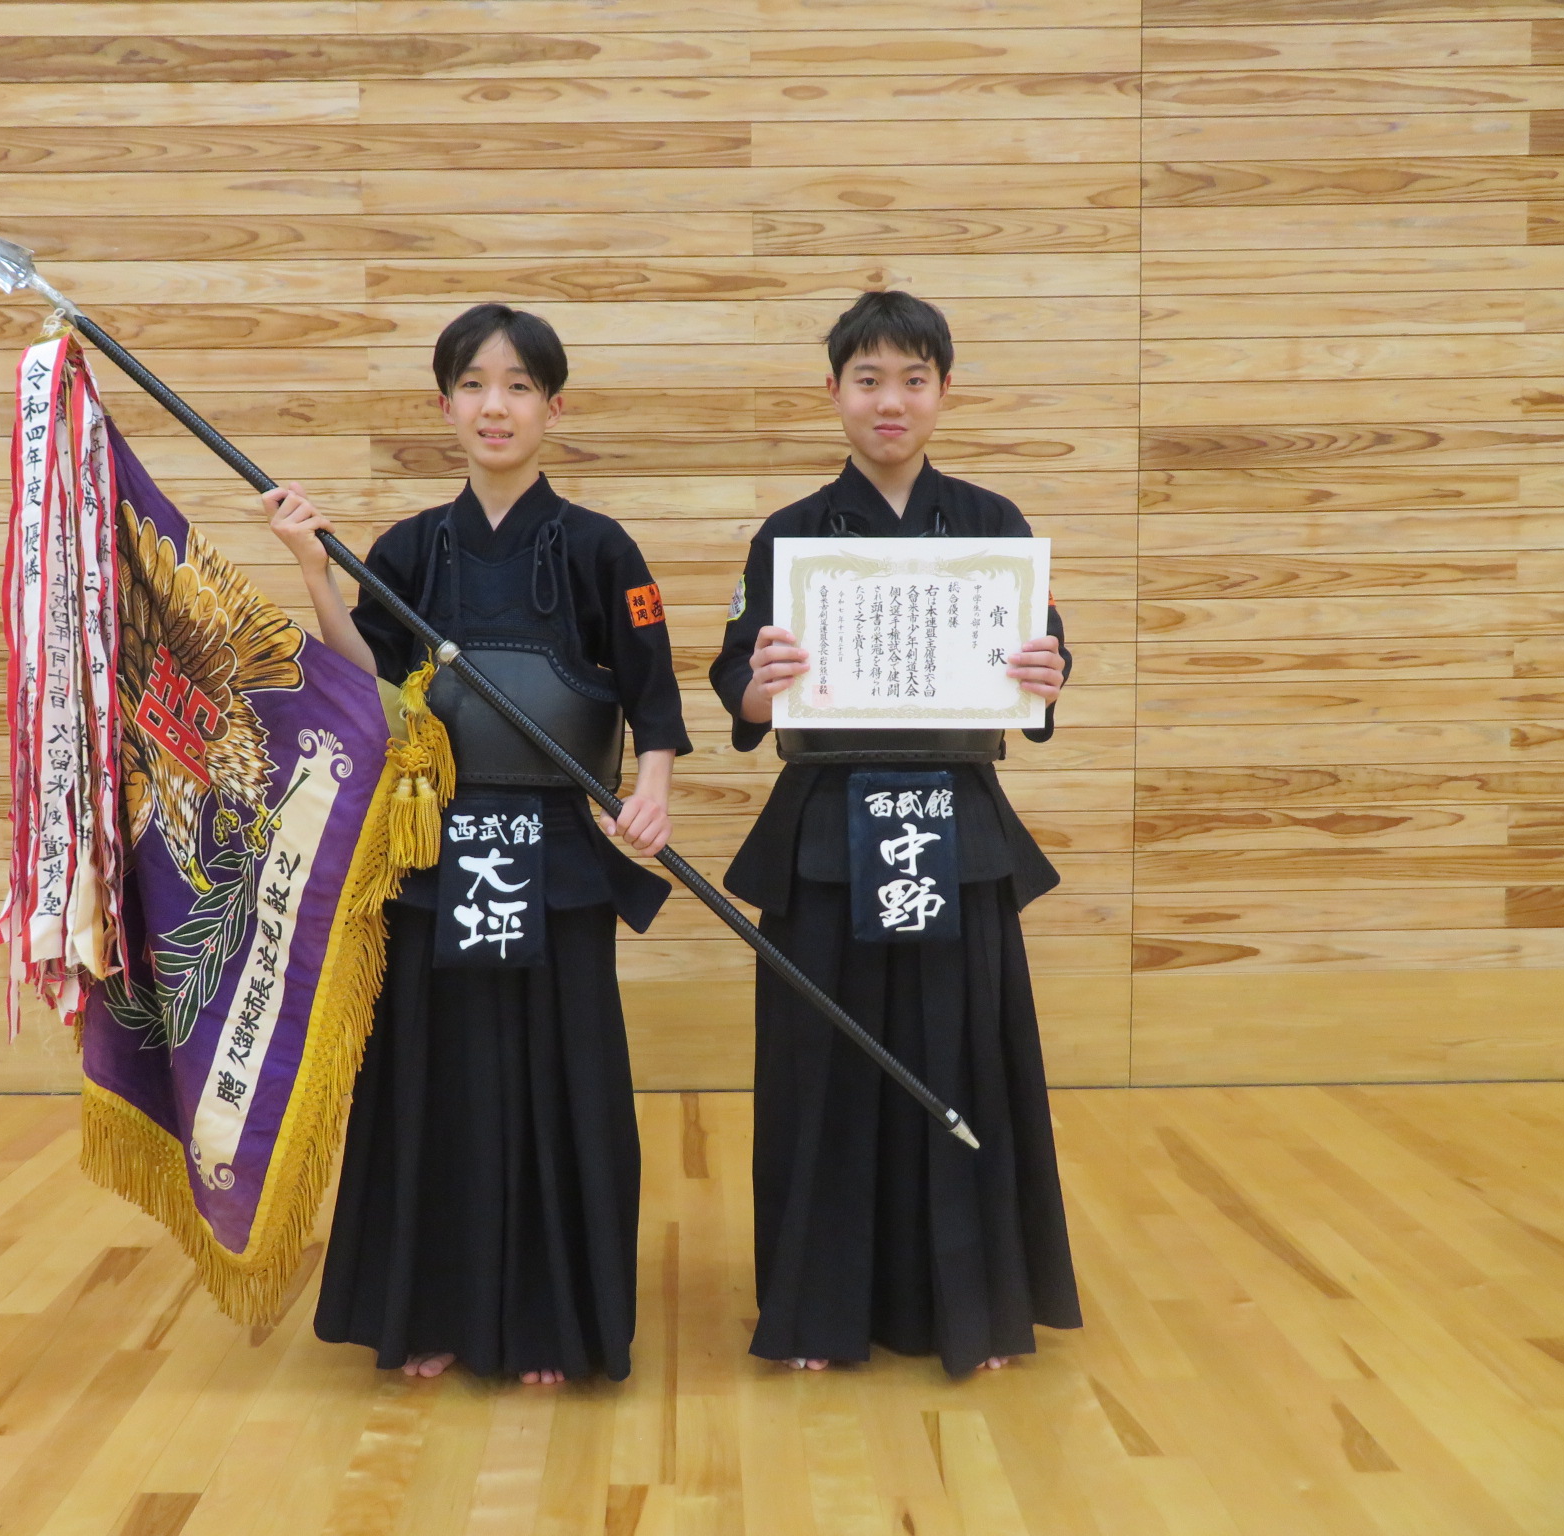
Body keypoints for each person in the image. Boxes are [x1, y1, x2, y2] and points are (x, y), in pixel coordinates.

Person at [260, 303, 691, 1384]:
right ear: (445, 405)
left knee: (562, 1077)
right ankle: (434, 1310)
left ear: (554, 407)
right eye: (472, 385)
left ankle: (553, 1324)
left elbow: (652, 692)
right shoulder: (410, 547)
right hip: (434, 848)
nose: (495, 407)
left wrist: (650, 793)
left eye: (518, 386)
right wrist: (315, 570)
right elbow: (364, 682)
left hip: (558, 851)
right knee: (434, 1079)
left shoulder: (600, 548)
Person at [709, 290, 1082, 1376]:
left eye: (913, 380)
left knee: (962, 1055)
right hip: (826, 828)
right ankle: (817, 1312)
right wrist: (761, 683)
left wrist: (1046, 673)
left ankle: (972, 1307)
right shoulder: (788, 535)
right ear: (832, 392)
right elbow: (737, 687)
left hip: (955, 824)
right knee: (819, 1066)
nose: (890, 401)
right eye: (867, 379)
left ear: (943, 392)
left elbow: (1042, 676)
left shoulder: (994, 526)